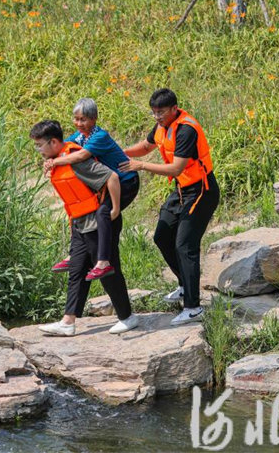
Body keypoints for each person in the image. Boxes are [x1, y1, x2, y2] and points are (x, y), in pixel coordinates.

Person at [119, 88, 219, 326]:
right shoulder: (163, 126)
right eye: (154, 112)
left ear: (174, 108)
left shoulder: (186, 129)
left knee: (185, 245)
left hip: (201, 191)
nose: (157, 117)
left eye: (161, 112)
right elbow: (145, 146)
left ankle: (193, 308)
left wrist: (141, 166)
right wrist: (119, 154)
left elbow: (176, 168)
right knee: (162, 236)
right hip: (182, 190)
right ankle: (184, 285)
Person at [31, 120, 139, 336]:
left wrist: (115, 210)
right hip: (80, 224)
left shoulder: (76, 161)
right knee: (77, 270)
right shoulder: (59, 161)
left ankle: (127, 317)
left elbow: (112, 177)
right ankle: (68, 322)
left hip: (98, 224)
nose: (38, 150)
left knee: (108, 271)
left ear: (53, 142)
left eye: (40, 145)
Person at [43, 98, 140, 281]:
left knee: (103, 212)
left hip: (126, 181)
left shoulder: (99, 136)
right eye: (76, 119)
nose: (79, 123)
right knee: (81, 209)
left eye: (83, 119)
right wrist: (49, 159)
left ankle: (103, 262)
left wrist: (54, 161)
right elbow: (64, 148)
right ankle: (74, 255)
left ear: (94, 119)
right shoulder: (79, 136)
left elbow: (81, 155)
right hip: (109, 183)